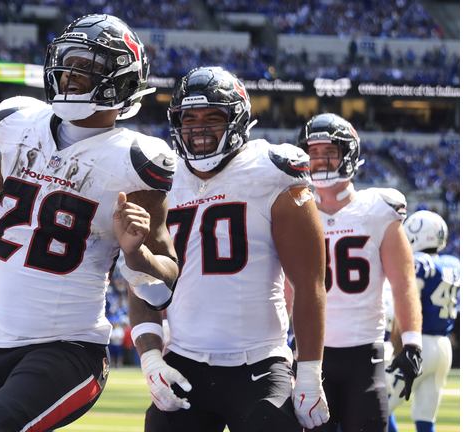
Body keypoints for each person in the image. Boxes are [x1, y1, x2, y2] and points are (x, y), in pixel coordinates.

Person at [0, 14, 179, 432]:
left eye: (89, 66)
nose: (71, 74)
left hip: (69, 348)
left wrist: (135, 251)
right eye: (70, 62)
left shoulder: (138, 160)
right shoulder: (19, 123)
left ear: (121, 81)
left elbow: (161, 289)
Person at [128, 66, 329, 432]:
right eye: (190, 119)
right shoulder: (159, 181)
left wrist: (311, 372)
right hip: (184, 361)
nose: (199, 129)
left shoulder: (272, 171)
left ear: (237, 121)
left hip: (260, 363)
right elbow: (143, 277)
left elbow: (310, 282)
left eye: (212, 117)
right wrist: (151, 358)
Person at [293, 113, 424, 432]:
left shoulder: (378, 208)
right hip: (311, 355)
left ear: (348, 154)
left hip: (364, 357)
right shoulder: (294, 210)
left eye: (329, 152)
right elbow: (284, 288)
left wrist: (412, 342)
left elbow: (403, 282)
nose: (320, 160)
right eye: (314, 152)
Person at [387, 210, 460, 432]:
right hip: (443, 347)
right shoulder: (453, 263)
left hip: (418, 343)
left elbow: (404, 303)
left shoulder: (419, 263)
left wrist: (397, 346)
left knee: (378, 406)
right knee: (425, 419)